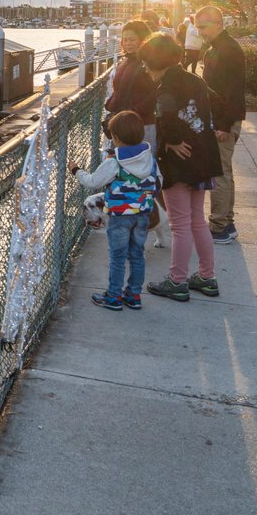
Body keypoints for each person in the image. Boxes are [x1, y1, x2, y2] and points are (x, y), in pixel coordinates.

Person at [139, 33, 223, 302]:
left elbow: (166, 113)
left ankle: (177, 280)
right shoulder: (195, 80)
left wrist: (172, 142)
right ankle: (207, 277)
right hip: (203, 158)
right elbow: (216, 105)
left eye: (145, 64)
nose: (145, 70)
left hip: (181, 162)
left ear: (153, 62)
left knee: (180, 225)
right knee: (198, 219)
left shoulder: (165, 87)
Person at [71, 110, 159, 310]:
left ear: (116, 138)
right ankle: (134, 295)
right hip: (143, 215)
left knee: (118, 256)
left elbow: (93, 182)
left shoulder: (115, 162)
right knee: (137, 254)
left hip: (120, 216)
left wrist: (76, 170)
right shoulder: (149, 159)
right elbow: (158, 182)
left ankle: (113, 296)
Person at [196, 5, 245, 243]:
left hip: (223, 121)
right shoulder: (217, 48)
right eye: (197, 27)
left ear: (218, 24)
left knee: (220, 173)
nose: (200, 32)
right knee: (225, 172)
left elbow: (232, 91)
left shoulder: (228, 50)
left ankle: (218, 226)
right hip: (219, 118)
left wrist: (223, 125)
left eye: (203, 27)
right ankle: (226, 221)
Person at [105, 20, 157, 152]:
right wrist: (110, 104)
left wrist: (134, 111)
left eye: (132, 39)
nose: (128, 43)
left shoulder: (150, 62)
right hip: (123, 125)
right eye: (125, 39)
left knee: (141, 168)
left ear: (143, 39)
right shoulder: (126, 61)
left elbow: (156, 92)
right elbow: (119, 90)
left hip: (141, 126)